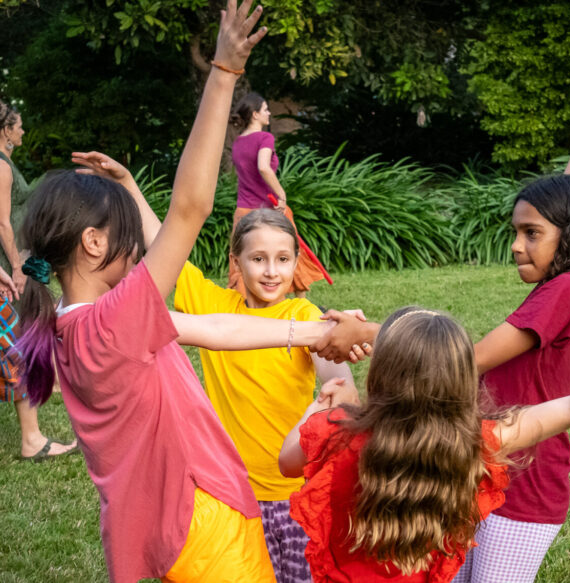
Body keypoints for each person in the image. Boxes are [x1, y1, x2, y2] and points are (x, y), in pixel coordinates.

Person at [12, 4, 363, 582]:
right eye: (129, 236)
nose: (141, 249)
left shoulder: (74, 324)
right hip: (206, 528)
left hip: (165, 528)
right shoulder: (112, 322)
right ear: (95, 243)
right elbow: (191, 208)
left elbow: (216, 329)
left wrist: (318, 331)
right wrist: (224, 73)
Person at [310, 57, 570, 583]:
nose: (516, 245)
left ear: (568, 234)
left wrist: (369, 333)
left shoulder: (567, 289)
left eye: (531, 233)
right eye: (517, 230)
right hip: (485, 469)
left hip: (523, 486)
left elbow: (465, 357)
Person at [279, 307, 570, 583]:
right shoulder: (477, 442)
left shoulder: (337, 430)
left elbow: (287, 462)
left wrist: (319, 408)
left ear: (382, 374)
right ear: (462, 377)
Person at [172, 207, 359, 582]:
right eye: (258, 259)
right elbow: (166, 248)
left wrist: (336, 395)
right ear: (236, 263)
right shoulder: (213, 308)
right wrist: (127, 183)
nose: (272, 271)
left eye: (283, 259)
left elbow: (342, 385)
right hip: (233, 498)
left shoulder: (304, 313)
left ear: (296, 262)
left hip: (296, 497)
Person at [0, 98, 77, 460]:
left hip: (16, 259)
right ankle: (31, 440)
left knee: (24, 333)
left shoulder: (7, 163)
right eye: (18, 125)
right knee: (17, 341)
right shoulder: (0, 166)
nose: (23, 130)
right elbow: (2, 223)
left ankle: (52, 384)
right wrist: (16, 267)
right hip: (9, 263)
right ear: (6, 130)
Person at [228, 92, 326, 296]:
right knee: (287, 253)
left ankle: (248, 308)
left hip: (243, 211)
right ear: (255, 114)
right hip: (269, 208)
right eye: (265, 109)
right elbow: (263, 167)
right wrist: (281, 194)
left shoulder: (238, 142)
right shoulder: (265, 137)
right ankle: (300, 305)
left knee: (247, 258)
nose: (269, 113)